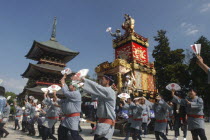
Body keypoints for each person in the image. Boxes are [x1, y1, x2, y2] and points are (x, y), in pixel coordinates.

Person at [73, 73, 116, 140]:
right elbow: (94, 94)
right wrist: (81, 85)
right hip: (102, 123)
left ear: (108, 81)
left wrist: (83, 79)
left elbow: (97, 87)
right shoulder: (103, 92)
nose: (101, 81)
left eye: (103, 79)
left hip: (106, 124)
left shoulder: (109, 91)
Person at [56, 74, 84, 140]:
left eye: (70, 85)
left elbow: (65, 92)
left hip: (73, 118)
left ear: (74, 87)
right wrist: (63, 81)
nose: (69, 85)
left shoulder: (76, 93)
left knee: (74, 135)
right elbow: (63, 100)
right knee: (61, 132)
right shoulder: (71, 95)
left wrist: (63, 82)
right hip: (67, 118)